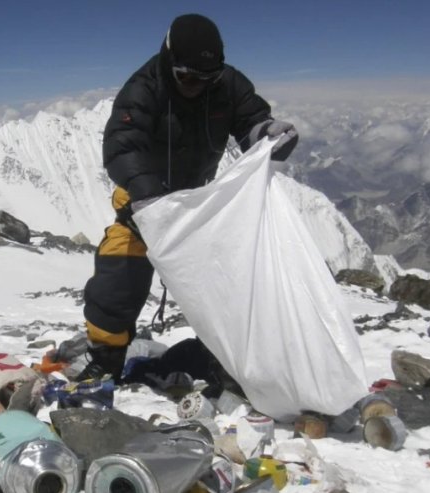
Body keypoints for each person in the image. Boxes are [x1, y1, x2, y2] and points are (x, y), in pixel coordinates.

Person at [75, 13, 299, 382]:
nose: (198, 86)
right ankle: (106, 358)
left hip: (198, 205)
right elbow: (122, 147)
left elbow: (250, 121)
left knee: (230, 280)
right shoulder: (143, 89)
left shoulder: (228, 84)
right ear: (169, 60)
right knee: (118, 277)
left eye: (207, 78)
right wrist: (148, 198)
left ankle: (226, 358)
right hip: (142, 205)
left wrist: (267, 134)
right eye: (188, 77)